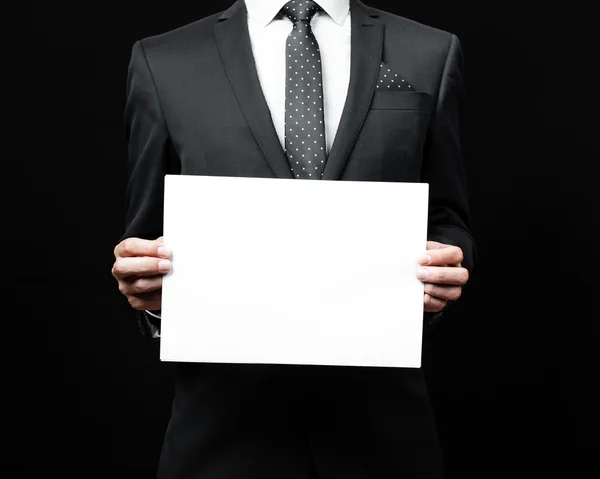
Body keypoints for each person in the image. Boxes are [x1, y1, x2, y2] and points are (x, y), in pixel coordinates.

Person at [111, 0, 475, 477]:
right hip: (222, 440)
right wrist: (152, 295)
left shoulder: (429, 51)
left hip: (382, 440)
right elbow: (143, 234)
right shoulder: (165, 60)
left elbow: (449, 218)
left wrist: (448, 265)